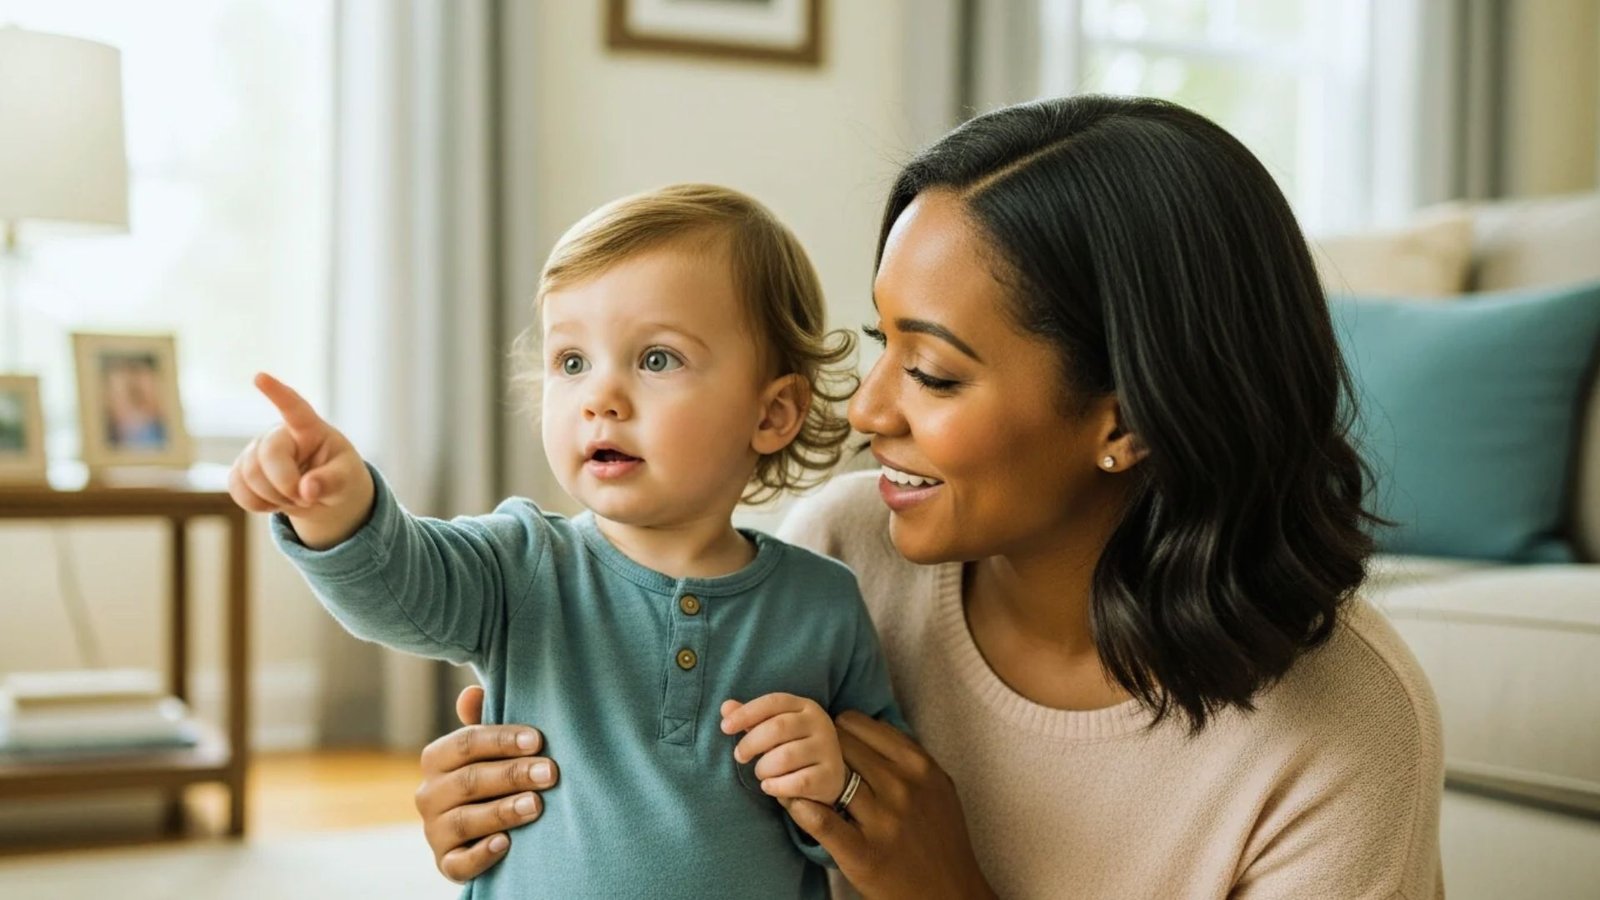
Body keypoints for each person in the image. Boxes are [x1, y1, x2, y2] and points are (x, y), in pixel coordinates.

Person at [412, 95, 1446, 899]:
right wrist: (525, 809)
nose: (864, 412)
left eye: (936, 374)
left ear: (1126, 421)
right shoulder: (844, 554)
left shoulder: (1337, 732)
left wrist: (945, 888)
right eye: (881, 343)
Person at [227, 185, 905, 899]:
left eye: (657, 359)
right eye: (572, 361)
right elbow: (400, 585)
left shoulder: (825, 603)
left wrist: (825, 779)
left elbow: (880, 813)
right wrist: (340, 509)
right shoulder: (520, 564)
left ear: (772, 414)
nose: (600, 396)